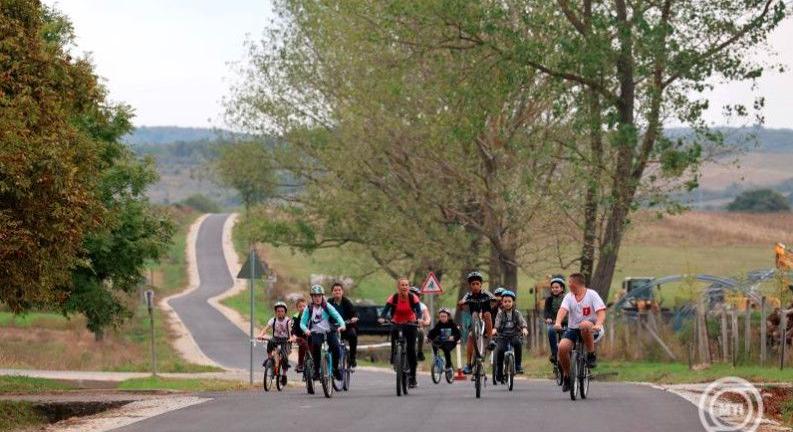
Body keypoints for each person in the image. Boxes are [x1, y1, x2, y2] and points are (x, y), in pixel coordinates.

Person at [554, 273, 606, 393]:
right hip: (573, 329)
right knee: (562, 348)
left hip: (592, 329)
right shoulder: (569, 296)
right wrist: (558, 322)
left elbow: (601, 312)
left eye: (570, 282)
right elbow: (563, 310)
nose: (568, 285)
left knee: (584, 325)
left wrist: (598, 324)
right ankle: (567, 376)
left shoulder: (592, 295)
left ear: (576, 283)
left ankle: (591, 354)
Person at [379, 278, 422, 388]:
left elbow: (418, 310)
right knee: (394, 334)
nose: (404, 287)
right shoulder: (394, 297)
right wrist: (382, 318)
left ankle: (412, 376)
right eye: (402, 285)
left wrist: (420, 319)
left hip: (410, 323)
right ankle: (395, 358)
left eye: (406, 285)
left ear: (408, 286)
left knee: (411, 350)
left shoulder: (413, 297)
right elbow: (386, 309)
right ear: (398, 287)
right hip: (397, 322)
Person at [300, 285, 346, 381]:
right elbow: (302, 323)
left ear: (322, 296)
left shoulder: (327, 306)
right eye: (315, 296)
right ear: (312, 297)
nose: (317, 298)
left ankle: (335, 368)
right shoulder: (309, 308)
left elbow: (337, 316)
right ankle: (316, 371)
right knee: (316, 346)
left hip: (329, 331)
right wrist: (306, 330)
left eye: (319, 296)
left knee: (336, 347)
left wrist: (342, 325)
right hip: (316, 332)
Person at [458, 270, 495, 374]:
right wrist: (461, 303)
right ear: (470, 285)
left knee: (487, 314)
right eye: (473, 284)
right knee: (470, 336)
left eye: (477, 284)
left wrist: (496, 300)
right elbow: (462, 303)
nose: (475, 286)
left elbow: (494, 299)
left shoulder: (485, 293)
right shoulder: (468, 295)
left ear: (481, 285)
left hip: (485, 319)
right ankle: (468, 364)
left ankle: (490, 340)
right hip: (475, 322)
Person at [491, 290, 528, 380]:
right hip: (503, 336)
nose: (507, 303)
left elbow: (522, 322)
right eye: (505, 302)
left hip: (514, 335)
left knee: (518, 344)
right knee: (500, 351)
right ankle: (499, 371)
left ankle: (518, 365)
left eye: (509, 301)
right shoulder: (500, 314)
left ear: (513, 302)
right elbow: (497, 323)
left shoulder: (517, 313)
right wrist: (495, 329)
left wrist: (524, 328)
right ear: (502, 303)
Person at [256, 301, 295, 378]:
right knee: (270, 341)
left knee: (284, 357)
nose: (280, 313)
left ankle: (284, 374)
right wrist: (261, 334)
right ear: (275, 312)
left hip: (286, 340)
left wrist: (291, 338)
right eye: (278, 311)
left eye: (282, 311)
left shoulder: (288, 321)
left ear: (285, 312)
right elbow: (265, 329)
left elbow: (291, 331)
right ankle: (269, 358)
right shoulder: (273, 320)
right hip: (276, 338)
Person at [329, 282, 359, 368]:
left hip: (346, 327)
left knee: (353, 334)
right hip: (333, 328)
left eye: (339, 290)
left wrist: (355, 317)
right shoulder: (329, 302)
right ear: (332, 292)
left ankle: (352, 358)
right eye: (335, 290)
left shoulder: (346, 302)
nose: (337, 292)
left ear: (342, 292)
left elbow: (354, 312)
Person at [427, 307, 461, 373]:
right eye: (441, 316)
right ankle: (436, 358)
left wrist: (453, 337)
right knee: (434, 343)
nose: (442, 318)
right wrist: (428, 338)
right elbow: (433, 332)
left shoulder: (452, 324)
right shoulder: (439, 324)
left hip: (451, 343)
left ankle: (448, 365)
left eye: (444, 316)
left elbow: (458, 334)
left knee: (446, 349)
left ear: (448, 317)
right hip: (442, 341)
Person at [544, 276, 567, 364]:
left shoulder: (566, 298)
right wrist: (548, 318)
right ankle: (554, 353)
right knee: (550, 330)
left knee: (567, 335)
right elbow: (547, 311)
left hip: (565, 322)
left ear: (562, 288)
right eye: (553, 288)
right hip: (553, 322)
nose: (554, 289)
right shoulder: (549, 299)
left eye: (557, 287)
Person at [410, 286, 432, 362]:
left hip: (416, 326)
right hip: (403, 325)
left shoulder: (422, 306)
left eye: (417, 295)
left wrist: (426, 322)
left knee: (421, 331)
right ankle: (396, 352)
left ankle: (419, 352)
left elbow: (428, 317)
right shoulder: (403, 303)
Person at [291, 297, 309, 373]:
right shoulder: (295, 317)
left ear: (307, 307)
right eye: (300, 306)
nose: (302, 308)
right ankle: (300, 364)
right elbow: (293, 328)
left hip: (309, 336)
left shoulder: (310, 315)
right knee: (302, 344)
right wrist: (294, 335)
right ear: (297, 308)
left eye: (304, 306)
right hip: (299, 337)